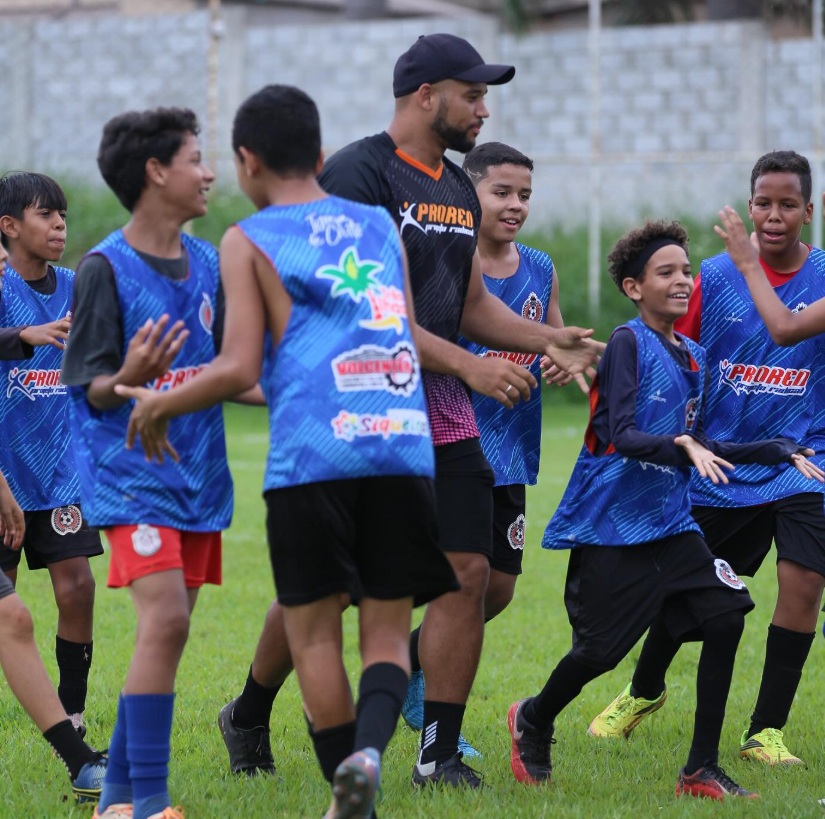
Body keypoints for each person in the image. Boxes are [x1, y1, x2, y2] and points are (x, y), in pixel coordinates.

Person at [213, 33, 602, 788]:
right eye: (473, 93)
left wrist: (544, 334)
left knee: (469, 570)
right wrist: (470, 364)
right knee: (330, 589)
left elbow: (468, 303)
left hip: (444, 411)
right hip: (361, 407)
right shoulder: (358, 176)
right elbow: (369, 311)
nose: (483, 109)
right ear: (426, 95)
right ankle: (250, 708)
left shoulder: (457, 189)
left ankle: (437, 753)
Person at [114, 83, 461, 819]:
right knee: (388, 632)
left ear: (247, 161)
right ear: (322, 153)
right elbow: (399, 332)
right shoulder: (377, 222)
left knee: (312, 638)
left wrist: (160, 401)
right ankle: (367, 755)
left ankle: (349, 789)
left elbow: (239, 366)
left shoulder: (249, 238)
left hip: (311, 458)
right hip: (401, 446)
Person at [507, 219, 823, 800]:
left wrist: (773, 449)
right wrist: (683, 446)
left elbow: (704, 442)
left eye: (685, 270)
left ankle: (700, 768)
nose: (682, 280)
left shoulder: (694, 357)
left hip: (673, 524)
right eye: (666, 272)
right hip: (615, 526)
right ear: (634, 288)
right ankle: (533, 716)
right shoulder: (628, 342)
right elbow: (623, 433)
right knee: (600, 650)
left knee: (728, 611)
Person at [589, 151, 825, 768]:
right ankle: (642, 692)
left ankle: (764, 732)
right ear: (748, 207)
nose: (773, 216)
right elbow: (668, 344)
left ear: (808, 210)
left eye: (787, 205)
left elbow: (787, 335)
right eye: (762, 203)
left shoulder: (824, 275)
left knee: (803, 584)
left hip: (803, 457)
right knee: (684, 588)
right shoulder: (713, 277)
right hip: (722, 459)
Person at [61, 107, 234, 819]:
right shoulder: (104, 266)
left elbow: (233, 368)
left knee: (170, 629)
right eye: (196, 157)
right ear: (156, 172)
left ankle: (117, 802)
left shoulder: (213, 265)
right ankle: (151, 804)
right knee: (163, 620)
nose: (209, 171)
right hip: (128, 473)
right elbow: (89, 385)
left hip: (200, 474)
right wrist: (128, 373)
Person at [400, 141, 566, 739]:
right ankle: (419, 694)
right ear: (467, 194)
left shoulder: (540, 266)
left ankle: (409, 660)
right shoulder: (446, 255)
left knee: (498, 589)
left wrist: (561, 359)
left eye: (524, 194)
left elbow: (549, 333)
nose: (515, 204)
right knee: (457, 580)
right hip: (452, 438)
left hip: (513, 447)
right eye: (501, 191)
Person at [0, 240, 106, 805]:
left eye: (63, 212)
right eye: (46, 213)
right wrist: (21, 337)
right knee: (9, 612)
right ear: (10, 226)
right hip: (6, 471)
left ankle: (74, 721)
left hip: (58, 474)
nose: (60, 224)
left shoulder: (75, 283)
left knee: (69, 591)